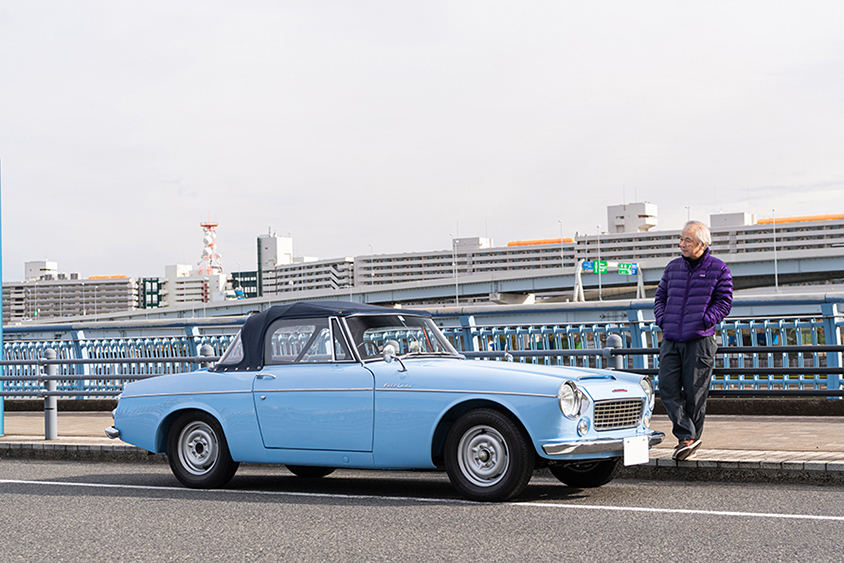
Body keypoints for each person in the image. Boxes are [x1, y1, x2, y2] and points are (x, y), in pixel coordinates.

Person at [654, 221, 733, 461]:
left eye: (687, 240)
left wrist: (705, 321)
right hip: (671, 338)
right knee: (667, 388)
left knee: (695, 393)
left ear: (702, 243)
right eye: (680, 239)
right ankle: (688, 436)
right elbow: (660, 297)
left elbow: (724, 302)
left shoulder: (718, 269)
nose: (682, 244)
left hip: (700, 339)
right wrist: (662, 319)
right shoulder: (673, 267)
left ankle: (686, 441)